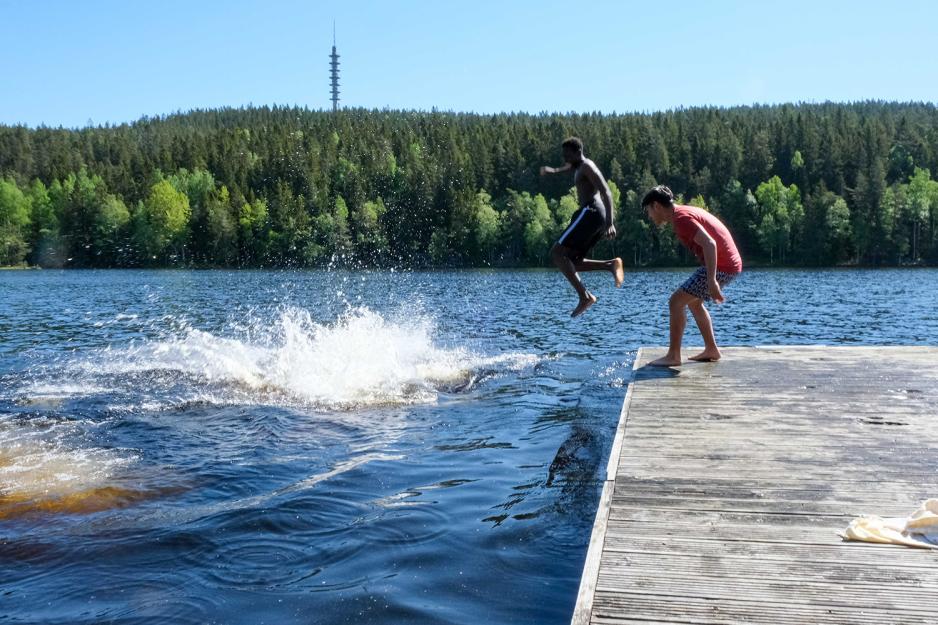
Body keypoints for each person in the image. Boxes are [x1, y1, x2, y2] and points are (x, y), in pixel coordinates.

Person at [641, 185, 742, 366]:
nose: (649, 216)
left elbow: (710, 244)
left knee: (676, 302)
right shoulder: (682, 213)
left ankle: (673, 356)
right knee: (694, 302)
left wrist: (712, 281)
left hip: (724, 265)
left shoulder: (681, 219)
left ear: (656, 206)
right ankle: (711, 349)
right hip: (730, 263)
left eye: (648, 211)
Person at [540, 137, 624, 317]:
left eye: (567, 155)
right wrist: (553, 171)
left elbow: (606, 191)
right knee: (571, 261)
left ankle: (584, 297)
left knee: (557, 252)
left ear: (578, 152)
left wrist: (610, 222)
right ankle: (610, 265)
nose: (565, 159)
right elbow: (567, 168)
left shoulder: (587, 166)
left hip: (592, 211)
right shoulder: (577, 166)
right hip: (591, 215)